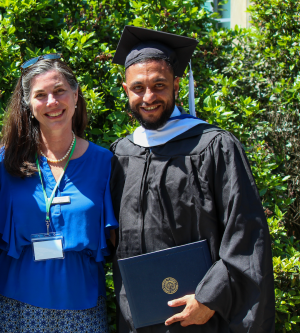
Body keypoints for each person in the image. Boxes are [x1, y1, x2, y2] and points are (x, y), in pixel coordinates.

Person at [109, 26, 275, 333]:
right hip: (138, 317)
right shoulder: (121, 153)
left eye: (159, 85)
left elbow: (245, 232)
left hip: (200, 316)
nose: (148, 97)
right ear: (125, 89)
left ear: (176, 84)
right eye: (138, 87)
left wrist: (210, 298)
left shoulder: (214, 146)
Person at [0, 55, 118, 332]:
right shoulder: (3, 162)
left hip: (82, 307)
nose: (52, 102)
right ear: (28, 103)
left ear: (75, 94)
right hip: (13, 306)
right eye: (40, 95)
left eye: (59, 91)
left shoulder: (105, 163)